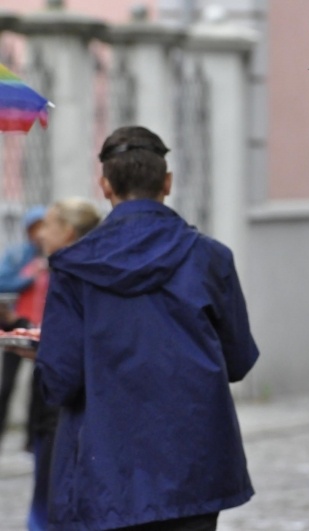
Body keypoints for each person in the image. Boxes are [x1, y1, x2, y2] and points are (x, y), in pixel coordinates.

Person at [34, 125, 260, 530]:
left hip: (104, 467)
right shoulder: (210, 258)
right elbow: (238, 360)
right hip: (193, 465)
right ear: (167, 182)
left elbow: (61, 380)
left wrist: (48, 353)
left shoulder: (74, 268)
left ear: (105, 186)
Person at [25, 197, 102, 531]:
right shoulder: (58, 269)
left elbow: (79, 347)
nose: (41, 234)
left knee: (56, 508)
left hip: (67, 407)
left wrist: (44, 350)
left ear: (68, 231)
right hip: (51, 405)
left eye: (49, 225)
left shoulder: (77, 272)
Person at [0, 204, 47, 454]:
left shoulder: (56, 256)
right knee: (7, 382)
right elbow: (2, 280)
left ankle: (31, 438)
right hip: (19, 323)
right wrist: (29, 277)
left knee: (38, 386)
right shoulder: (20, 256)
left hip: (43, 326)